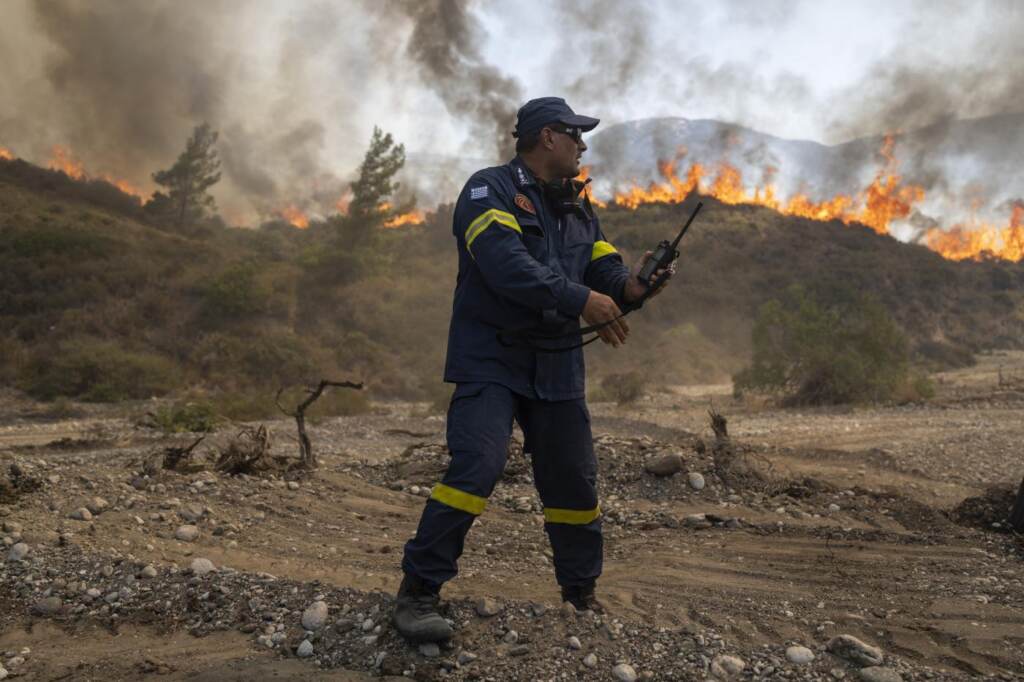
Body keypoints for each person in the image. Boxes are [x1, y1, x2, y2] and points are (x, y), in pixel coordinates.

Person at [392, 97, 675, 642]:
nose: (583, 146)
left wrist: (635, 286)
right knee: (477, 466)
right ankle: (418, 592)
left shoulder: (578, 206)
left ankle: (580, 596)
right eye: (576, 135)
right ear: (548, 136)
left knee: (574, 482)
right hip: (492, 359)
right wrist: (581, 300)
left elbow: (604, 270)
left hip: (557, 366)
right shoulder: (488, 190)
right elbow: (507, 266)